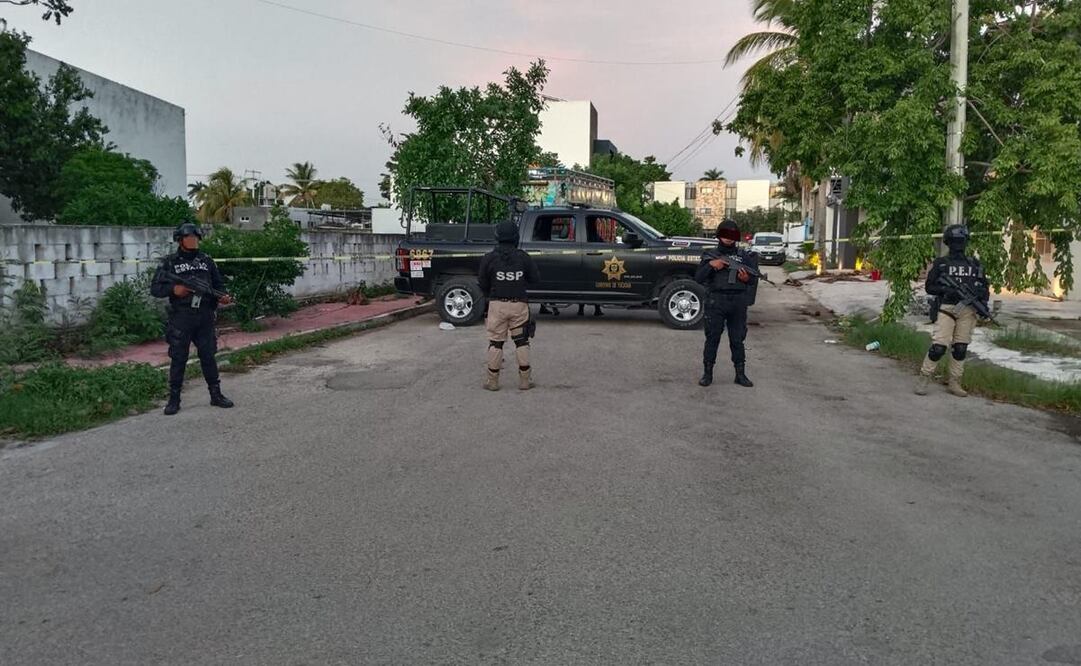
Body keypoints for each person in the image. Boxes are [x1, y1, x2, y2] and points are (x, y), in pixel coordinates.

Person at [150, 221, 235, 415]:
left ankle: (216, 395)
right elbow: (155, 289)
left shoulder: (206, 261)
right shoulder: (170, 263)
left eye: (196, 237)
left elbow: (218, 284)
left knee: (208, 356)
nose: (193, 240)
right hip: (182, 317)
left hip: (204, 315)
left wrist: (222, 297)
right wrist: (174, 289)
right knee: (179, 358)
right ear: (180, 240)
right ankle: (174, 399)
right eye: (189, 237)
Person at [915, 224, 990, 397]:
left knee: (961, 348)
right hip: (948, 308)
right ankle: (924, 377)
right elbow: (930, 287)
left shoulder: (975, 264)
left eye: (961, 241)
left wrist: (982, 299)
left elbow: (984, 288)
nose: (958, 245)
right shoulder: (942, 264)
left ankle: (955, 381)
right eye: (956, 241)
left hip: (969, 310)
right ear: (949, 243)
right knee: (939, 347)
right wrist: (946, 290)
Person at [695, 218, 758, 388]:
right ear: (719, 236)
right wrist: (712, 266)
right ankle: (707, 374)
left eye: (732, 234)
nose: (729, 238)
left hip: (738, 302)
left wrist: (746, 278)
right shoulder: (710, 255)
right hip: (716, 301)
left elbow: (752, 279)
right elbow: (699, 278)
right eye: (725, 234)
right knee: (712, 338)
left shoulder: (744, 256)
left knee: (737, 339)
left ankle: (740, 374)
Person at [478, 220, 541, 391]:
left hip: (497, 306)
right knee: (521, 342)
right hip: (518, 305)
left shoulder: (489, 258)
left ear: (497, 237)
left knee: (495, 343)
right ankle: (525, 381)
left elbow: (482, 283)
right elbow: (535, 279)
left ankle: (492, 382)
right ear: (516, 236)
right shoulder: (523, 257)